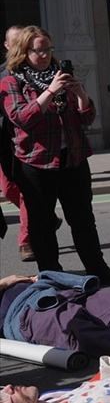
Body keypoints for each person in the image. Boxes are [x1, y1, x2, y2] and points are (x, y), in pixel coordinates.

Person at [0, 26, 110, 284]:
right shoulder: (11, 81)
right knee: (42, 225)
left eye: (48, 49)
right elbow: (22, 118)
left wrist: (79, 93)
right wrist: (50, 91)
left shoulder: (61, 77)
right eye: (39, 50)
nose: (45, 55)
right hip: (36, 163)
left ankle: (98, 269)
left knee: (83, 220)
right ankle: (52, 276)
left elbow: (88, 117)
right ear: (24, 51)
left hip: (73, 158)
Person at [0, 24, 33, 262]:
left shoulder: (35, 73)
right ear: (7, 45)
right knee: (8, 189)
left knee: (26, 194)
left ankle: (26, 241)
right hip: (3, 142)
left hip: (26, 143)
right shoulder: (3, 74)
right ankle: (44, 217)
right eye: (16, 41)